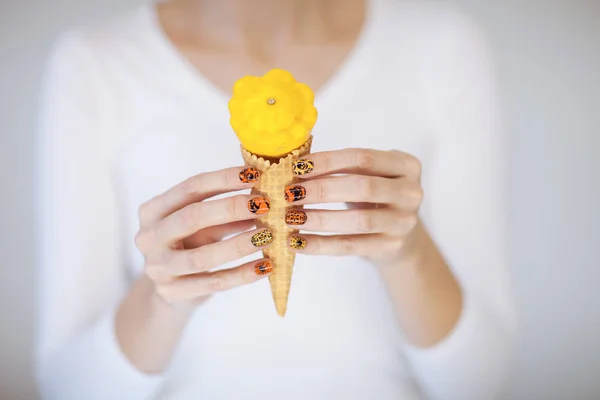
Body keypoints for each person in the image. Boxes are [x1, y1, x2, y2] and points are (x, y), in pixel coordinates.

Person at [34, 0, 517, 399]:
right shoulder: (96, 63)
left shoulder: (442, 48)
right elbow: (66, 388)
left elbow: (481, 384)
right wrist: (163, 296)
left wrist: (411, 256)